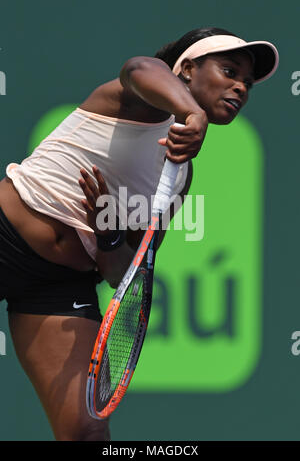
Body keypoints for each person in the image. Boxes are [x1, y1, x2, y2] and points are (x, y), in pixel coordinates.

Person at [0, 27, 278, 441]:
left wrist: (107, 231)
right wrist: (192, 114)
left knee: (86, 432)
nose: (240, 86)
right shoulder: (139, 100)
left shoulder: (180, 179)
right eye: (228, 70)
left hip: (58, 287)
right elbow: (139, 67)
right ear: (185, 69)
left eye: (247, 84)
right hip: (6, 234)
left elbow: (123, 272)